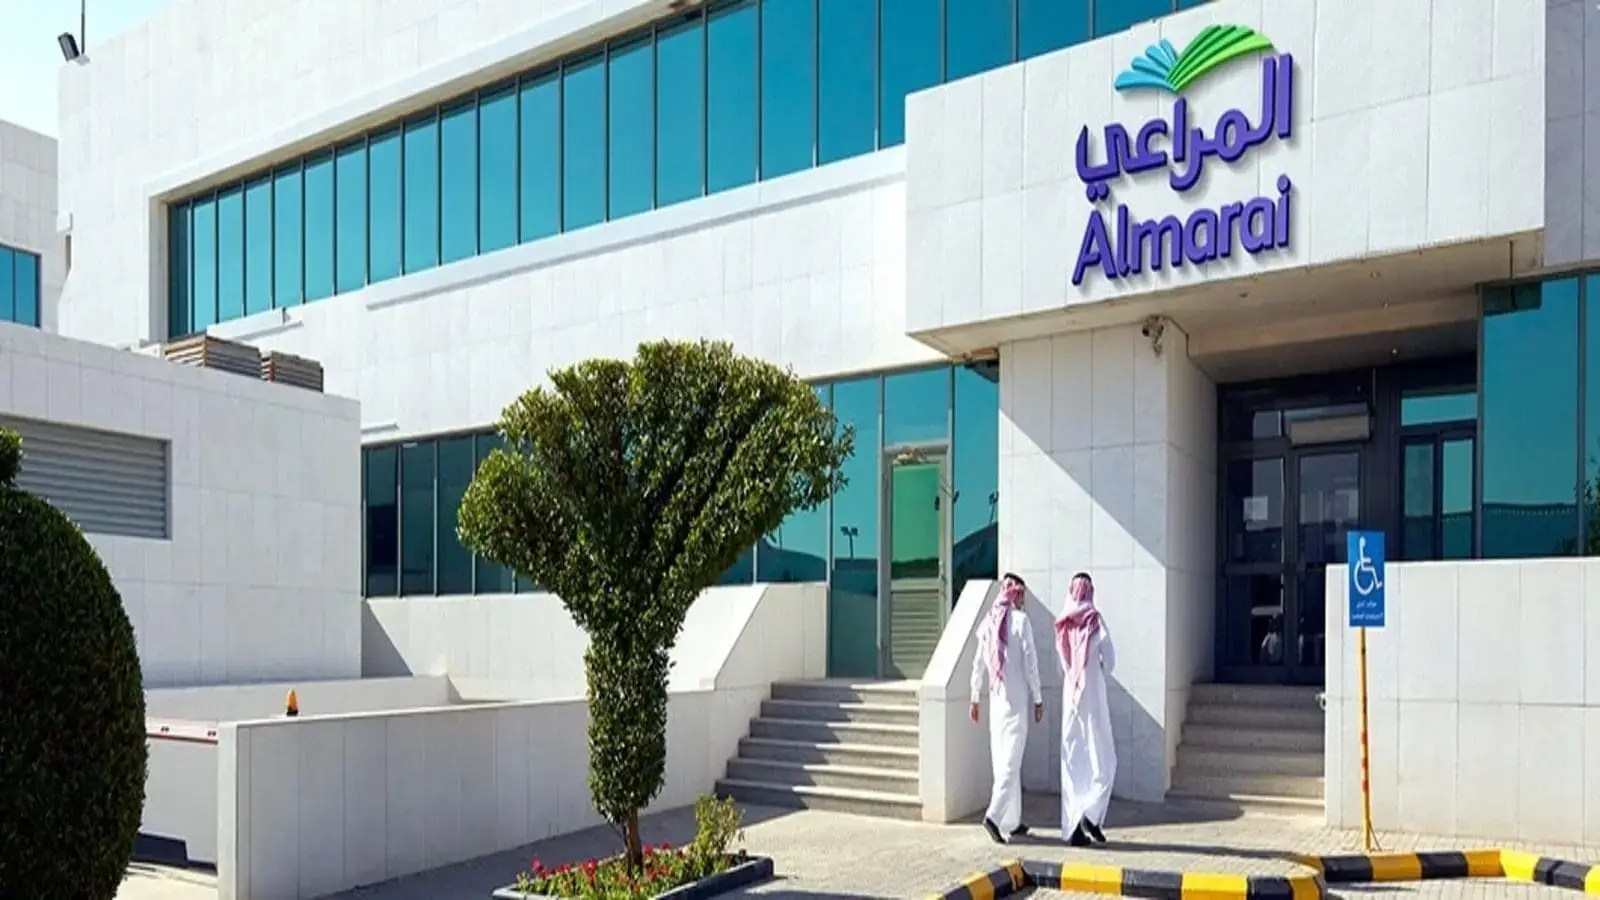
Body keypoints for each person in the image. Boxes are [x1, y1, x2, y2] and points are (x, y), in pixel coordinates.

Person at [969, 573, 1043, 845]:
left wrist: (974, 697)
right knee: (1011, 763)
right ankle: (994, 815)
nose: (1023, 600)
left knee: (1003, 762)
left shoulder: (989, 622)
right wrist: (1038, 698)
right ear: (1015, 594)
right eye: (1022, 595)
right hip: (1015, 705)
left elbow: (978, 663)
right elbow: (1031, 663)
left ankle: (1012, 820)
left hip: (996, 707)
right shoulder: (1021, 622)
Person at [1056, 572, 1116, 847]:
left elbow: (1061, 667)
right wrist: (1096, 670)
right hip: (1093, 699)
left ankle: (1074, 828)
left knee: (1072, 763)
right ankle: (1090, 816)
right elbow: (1110, 662)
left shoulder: (1062, 624)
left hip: (1071, 700)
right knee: (1104, 761)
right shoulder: (1095, 621)